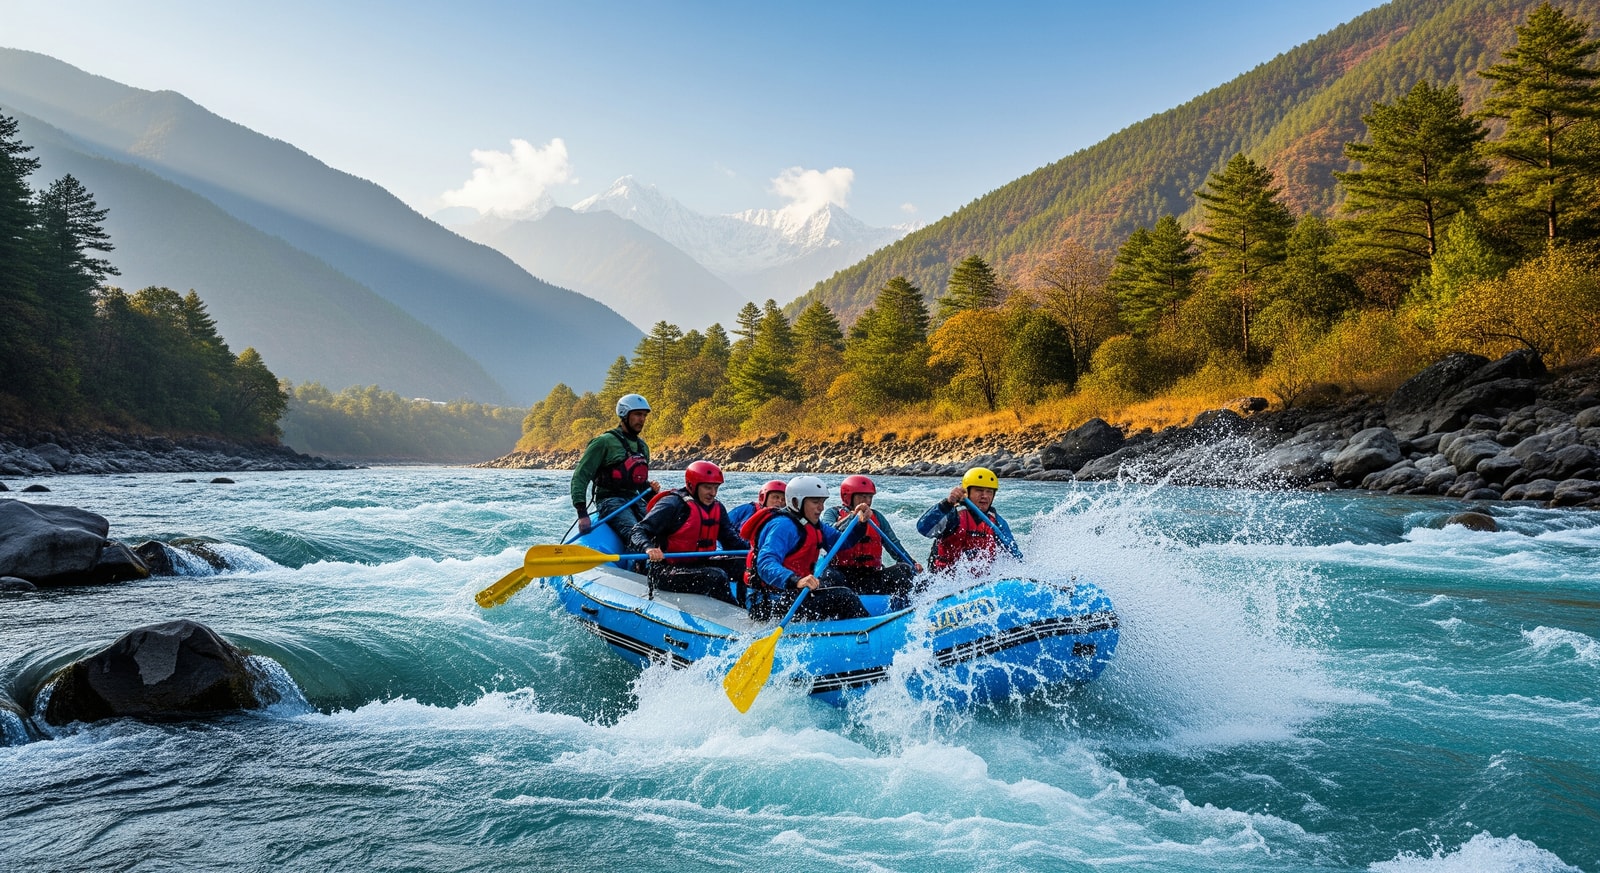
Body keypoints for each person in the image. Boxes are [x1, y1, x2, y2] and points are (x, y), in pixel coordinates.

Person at [742, 475, 871, 622]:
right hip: (767, 603)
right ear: (796, 502)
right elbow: (765, 564)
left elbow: (841, 543)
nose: (821, 508)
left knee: (834, 578)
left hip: (791, 594)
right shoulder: (782, 526)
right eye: (815, 502)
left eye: (822, 502)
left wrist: (860, 523)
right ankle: (869, 632)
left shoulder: (814, 525)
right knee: (844, 597)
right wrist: (795, 580)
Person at [627, 460, 748, 605]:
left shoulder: (717, 507)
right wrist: (648, 548)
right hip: (666, 571)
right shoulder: (672, 504)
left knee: (744, 564)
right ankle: (733, 616)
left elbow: (732, 542)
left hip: (701, 564)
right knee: (716, 577)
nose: (713, 493)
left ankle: (745, 605)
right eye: (708, 488)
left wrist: (754, 552)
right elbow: (637, 531)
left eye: (716, 487)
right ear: (692, 485)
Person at [570, 393, 659, 541]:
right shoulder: (603, 442)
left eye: (644, 415)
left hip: (634, 499)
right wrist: (582, 514)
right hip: (609, 500)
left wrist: (651, 491)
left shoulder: (642, 447)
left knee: (661, 530)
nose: (642, 419)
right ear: (624, 414)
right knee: (636, 533)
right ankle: (641, 561)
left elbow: (639, 484)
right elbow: (581, 476)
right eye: (637, 414)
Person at [829, 475, 923, 597]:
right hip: (842, 577)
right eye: (863, 496)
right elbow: (828, 533)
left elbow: (894, 545)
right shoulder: (833, 513)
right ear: (848, 497)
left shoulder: (877, 517)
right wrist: (853, 517)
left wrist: (912, 563)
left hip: (870, 576)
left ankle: (924, 604)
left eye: (870, 497)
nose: (867, 501)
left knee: (905, 569)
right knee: (830, 576)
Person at [916, 466, 1017, 574]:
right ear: (967, 492)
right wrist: (947, 504)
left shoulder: (997, 522)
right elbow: (923, 528)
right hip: (943, 581)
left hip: (981, 583)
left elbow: (1014, 555)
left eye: (989, 492)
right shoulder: (953, 515)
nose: (985, 496)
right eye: (979, 490)